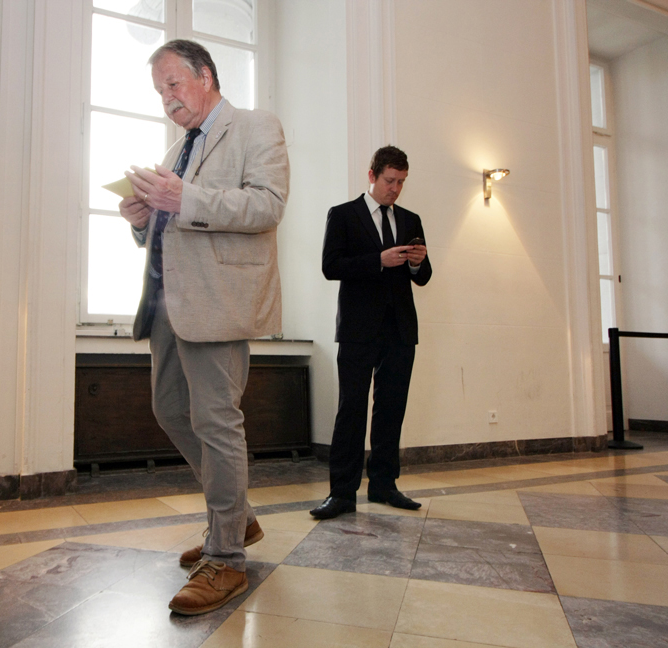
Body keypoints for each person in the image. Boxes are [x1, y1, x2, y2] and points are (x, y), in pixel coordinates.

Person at [118, 39, 289, 615]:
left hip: (218, 301)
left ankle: (226, 558)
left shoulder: (256, 126)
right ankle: (237, 518)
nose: (166, 99)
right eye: (159, 91)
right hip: (166, 303)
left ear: (206, 76)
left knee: (216, 422)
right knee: (171, 410)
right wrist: (142, 220)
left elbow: (267, 205)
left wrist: (182, 196)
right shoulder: (176, 148)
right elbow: (172, 224)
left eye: (173, 84)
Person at [310, 145, 432, 520]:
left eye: (401, 182)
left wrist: (418, 263)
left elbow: (424, 277)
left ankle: (383, 485)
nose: (395, 189)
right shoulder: (344, 215)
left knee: (391, 410)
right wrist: (377, 261)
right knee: (351, 410)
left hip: (400, 330)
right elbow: (331, 266)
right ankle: (341, 494)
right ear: (372, 175)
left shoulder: (411, 219)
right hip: (357, 329)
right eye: (389, 180)